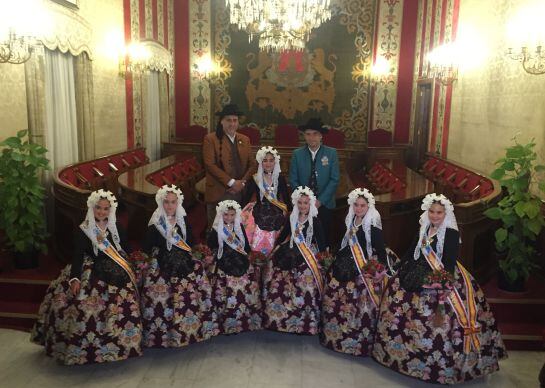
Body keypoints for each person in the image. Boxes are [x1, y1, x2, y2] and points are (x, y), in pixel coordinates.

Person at [373, 193, 507, 384]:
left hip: (439, 275)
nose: (435, 216)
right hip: (415, 270)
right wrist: (398, 266)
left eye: (439, 213)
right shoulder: (424, 227)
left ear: (446, 214)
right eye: (432, 212)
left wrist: (442, 283)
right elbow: (413, 250)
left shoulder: (451, 233)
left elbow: (449, 262)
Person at [31, 190, 142, 365]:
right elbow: (78, 255)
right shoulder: (84, 229)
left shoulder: (117, 226)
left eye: (106, 209)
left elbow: (125, 248)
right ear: (92, 207)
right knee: (84, 305)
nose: (102, 212)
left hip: (116, 267)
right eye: (98, 208)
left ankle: (123, 344)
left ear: (111, 210)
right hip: (91, 268)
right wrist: (74, 278)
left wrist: (135, 262)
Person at [140, 185, 218, 348]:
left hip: (184, 258)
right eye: (166, 202)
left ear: (178, 203)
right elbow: (147, 247)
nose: (169, 206)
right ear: (161, 203)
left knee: (195, 275)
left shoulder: (183, 220)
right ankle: (167, 334)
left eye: (173, 202)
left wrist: (198, 250)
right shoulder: (155, 224)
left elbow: (191, 241)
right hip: (163, 260)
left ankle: (195, 328)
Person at [320, 188, 387, 356]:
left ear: (368, 207)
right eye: (356, 205)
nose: (358, 209)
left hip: (364, 262)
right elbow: (345, 241)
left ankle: (355, 337)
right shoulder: (351, 219)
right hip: (347, 258)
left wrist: (381, 269)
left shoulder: (372, 224)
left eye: (362, 206)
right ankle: (333, 331)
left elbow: (380, 249)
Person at [262, 186, 327, 335]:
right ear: (296, 203)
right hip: (288, 252)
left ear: (310, 204)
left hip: (307, 254)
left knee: (306, 280)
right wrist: (274, 248)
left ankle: (303, 321)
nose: (303, 206)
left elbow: (322, 242)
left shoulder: (315, 221)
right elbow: (283, 234)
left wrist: (323, 260)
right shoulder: (292, 218)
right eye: (300, 203)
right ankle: (279, 318)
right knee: (277, 277)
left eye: (306, 203)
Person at [207, 200, 262, 334]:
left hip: (240, 260)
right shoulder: (216, 229)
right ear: (221, 214)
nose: (229, 218)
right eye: (226, 215)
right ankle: (226, 322)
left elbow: (246, 247)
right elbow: (211, 245)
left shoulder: (239, 227)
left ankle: (245, 321)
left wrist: (252, 257)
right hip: (223, 261)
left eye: (232, 215)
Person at [202, 103, 256, 227]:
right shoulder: (210, 139)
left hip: (241, 190)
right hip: (220, 191)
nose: (232, 124)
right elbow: (210, 165)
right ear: (222, 121)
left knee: (238, 227)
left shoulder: (245, 139)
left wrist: (241, 183)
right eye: (228, 120)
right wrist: (232, 183)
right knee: (216, 229)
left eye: (235, 120)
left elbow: (252, 164)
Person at [289, 118, 339, 244]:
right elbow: (293, 179)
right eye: (308, 134)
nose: (312, 138)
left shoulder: (331, 153)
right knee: (304, 237)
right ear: (304, 136)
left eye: (315, 134)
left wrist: (319, 201)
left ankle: (323, 260)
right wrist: (303, 200)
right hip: (303, 205)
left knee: (324, 236)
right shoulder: (297, 154)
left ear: (321, 136)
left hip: (324, 203)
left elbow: (334, 179)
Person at [242, 146, 291, 256]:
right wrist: (239, 210)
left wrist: (290, 212)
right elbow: (246, 197)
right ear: (260, 162)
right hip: (260, 209)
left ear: (275, 162)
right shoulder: (255, 178)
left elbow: (286, 198)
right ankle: (257, 255)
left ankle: (273, 255)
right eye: (265, 160)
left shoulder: (280, 178)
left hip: (277, 211)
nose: (268, 164)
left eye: (271, 160)